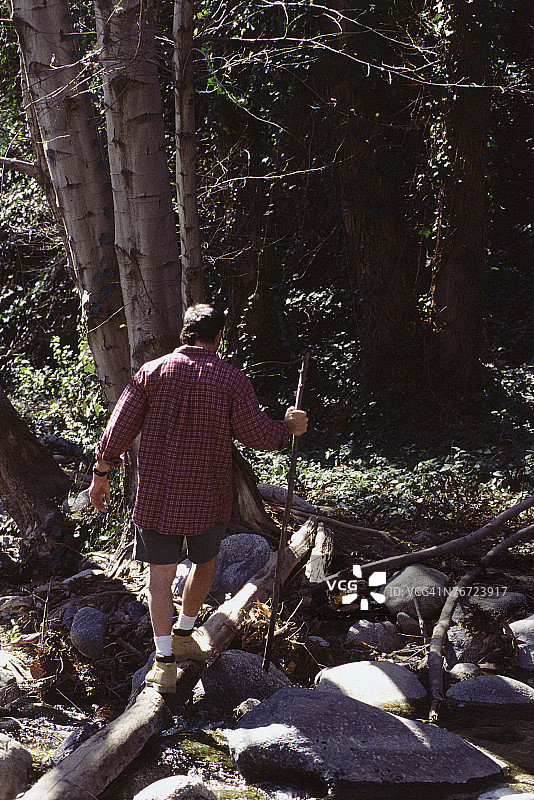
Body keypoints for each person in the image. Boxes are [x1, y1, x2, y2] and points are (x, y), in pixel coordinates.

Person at [89, 304, 308, 693]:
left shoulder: (151, 372)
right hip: (208, 496)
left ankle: (164, 662)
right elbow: (258, 436)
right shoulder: (230, 379)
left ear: (184, 334)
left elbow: (118, 428)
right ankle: (186, 632)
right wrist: (287, 427)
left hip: (157, 496)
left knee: (160, 579)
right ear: (218, 338)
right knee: (205, 564)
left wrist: (101, 473)